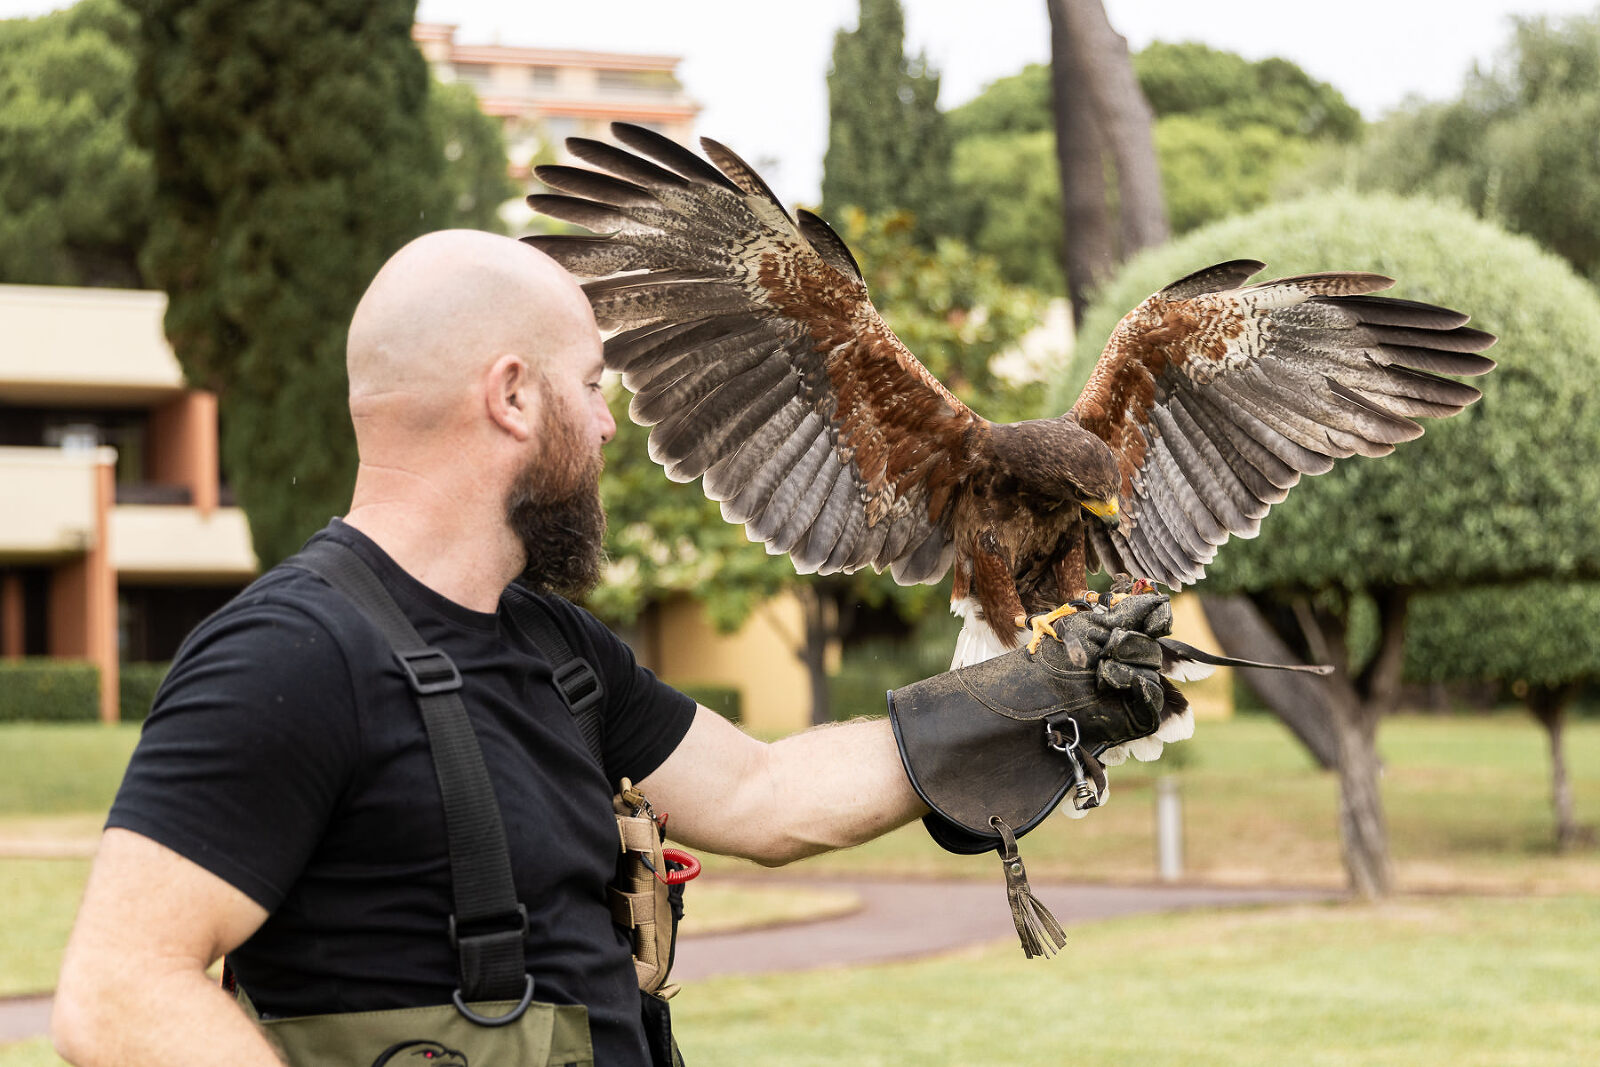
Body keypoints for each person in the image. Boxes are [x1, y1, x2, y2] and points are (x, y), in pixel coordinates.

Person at [52, 229, 1172, 1066]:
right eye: (589, 387)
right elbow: (115, 994)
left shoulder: (558, 649)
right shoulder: (286, 655)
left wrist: (1035, 694)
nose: (606, 423)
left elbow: (767, 795)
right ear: (511, 396)